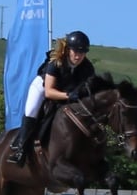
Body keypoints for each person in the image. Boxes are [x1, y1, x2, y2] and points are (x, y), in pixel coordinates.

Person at [7, 30, 95, 164]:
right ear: (68, 50)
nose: (78, 56)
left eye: (82, 52)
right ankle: (20, 148)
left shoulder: (87, 68)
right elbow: (49, 92)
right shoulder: (55, 63)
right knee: (31, 111)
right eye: (76, 51)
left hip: (67, 91)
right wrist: (69, 95)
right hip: (43, 87)